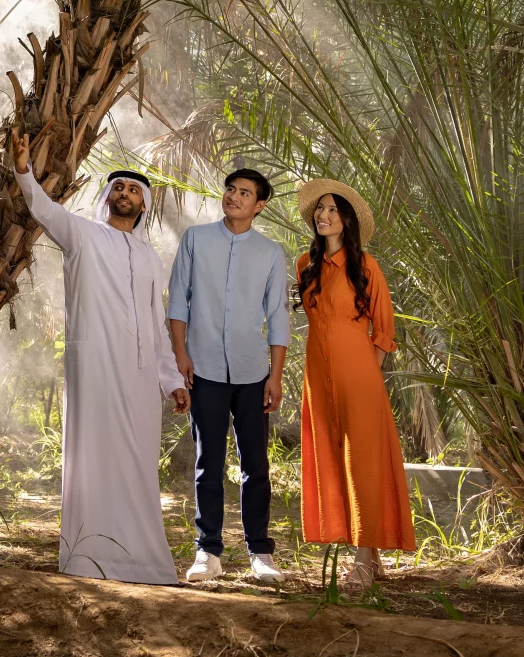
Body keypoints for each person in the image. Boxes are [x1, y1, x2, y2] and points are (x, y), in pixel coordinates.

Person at [13, 133, 188, 584]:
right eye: (118, 188)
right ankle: (89, 556)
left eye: (133, 190)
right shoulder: (83, 234)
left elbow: (155, 324)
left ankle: (143, 561)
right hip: (94, 367)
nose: (124, 194)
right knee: (94, 457)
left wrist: (171, 380)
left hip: (139, 373)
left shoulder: (150, 257)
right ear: (107, 197)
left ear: (144, 204)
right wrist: (23, 170)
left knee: (137, 460)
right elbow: (44, 209)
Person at [166, 168, 291, 583]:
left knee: (256, 463)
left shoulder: (270, 253)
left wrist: (275, 376)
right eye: (231, 190)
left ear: (260, 205)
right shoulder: (196, 240)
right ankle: (208, 552)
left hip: (253, 371)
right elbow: (178, 302)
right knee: (209, 462)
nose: (234, 197)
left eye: (245, 193)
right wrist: (180, 354)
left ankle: (260, 553)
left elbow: (277, 316)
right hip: (204, 368)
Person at [294, 178, 414, 590]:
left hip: (359, 377)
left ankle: (363, 560)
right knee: (331, 457)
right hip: (317, 377)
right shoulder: (303, 265)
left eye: (332, 210)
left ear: (347, 220)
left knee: (362, 460)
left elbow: (384, 329)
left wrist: (366, 373)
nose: (323, 215)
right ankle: (371, 556)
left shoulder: (366, 266)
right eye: (319, 210)